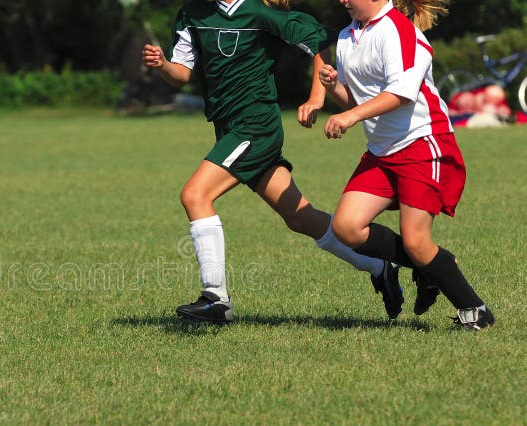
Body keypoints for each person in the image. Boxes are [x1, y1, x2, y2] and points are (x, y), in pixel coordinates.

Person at [141, 0, 404, 324]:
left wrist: (316, 97)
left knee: (195, 195)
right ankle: (380, 267)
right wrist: (163, 64)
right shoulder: (191, 13)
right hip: (229, 130)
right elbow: (181, 75)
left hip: (256, 128)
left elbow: (318, 38)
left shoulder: (260, 11)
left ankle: (215, 298)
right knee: (300, 218)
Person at [319, 0, 494, 330]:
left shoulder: (398, 30)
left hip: (422, 142)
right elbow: (358, 100)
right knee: (347, 227)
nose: (342, 0)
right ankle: (431, 265)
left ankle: (476, 311)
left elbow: (402, 93)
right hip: (382, 151)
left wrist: (351, 116)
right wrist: (335, 89)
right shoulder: (347, 36)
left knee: (415, 241)